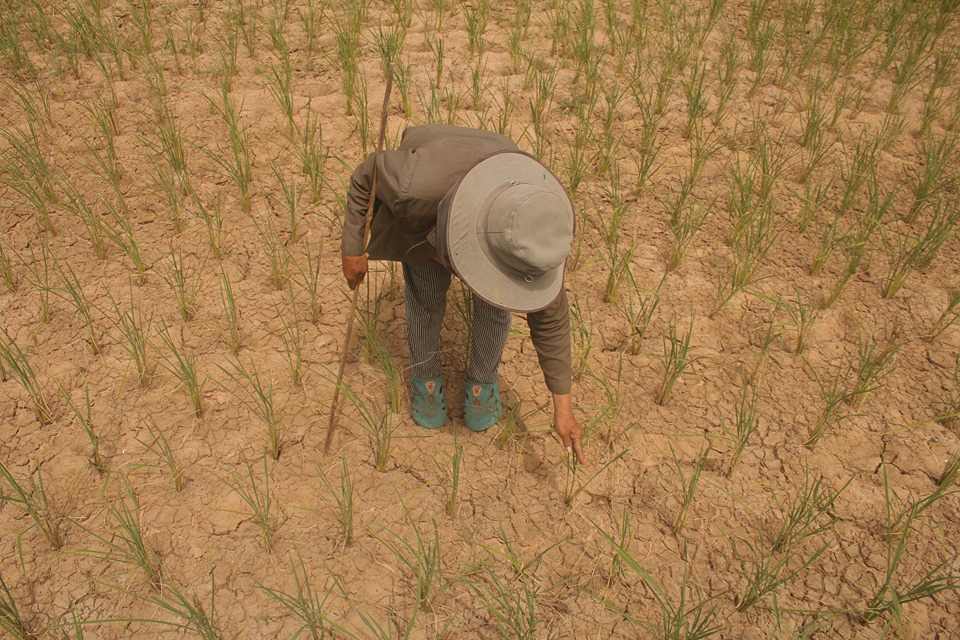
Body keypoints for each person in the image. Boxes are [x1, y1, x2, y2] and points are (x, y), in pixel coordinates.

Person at [341, 124, 584, 464]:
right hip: (432, 200)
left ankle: (482, 380)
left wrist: (564, 410)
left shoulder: (535, 231)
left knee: (497, 305)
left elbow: (552, 326)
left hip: (497, 170)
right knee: (425, 295)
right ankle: (425, 377)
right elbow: (366, 174)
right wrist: (352, 246)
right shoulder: (414, 187)